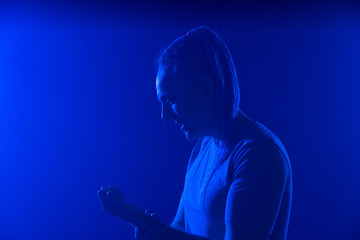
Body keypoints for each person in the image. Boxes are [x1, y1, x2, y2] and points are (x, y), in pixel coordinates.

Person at [97, 26, 293, 240]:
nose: (165, 115)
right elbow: (180, 227)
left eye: (171, 101)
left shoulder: (259, 154)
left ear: (206, 88)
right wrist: (140, 223)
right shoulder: (202, 148)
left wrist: (146, 223)